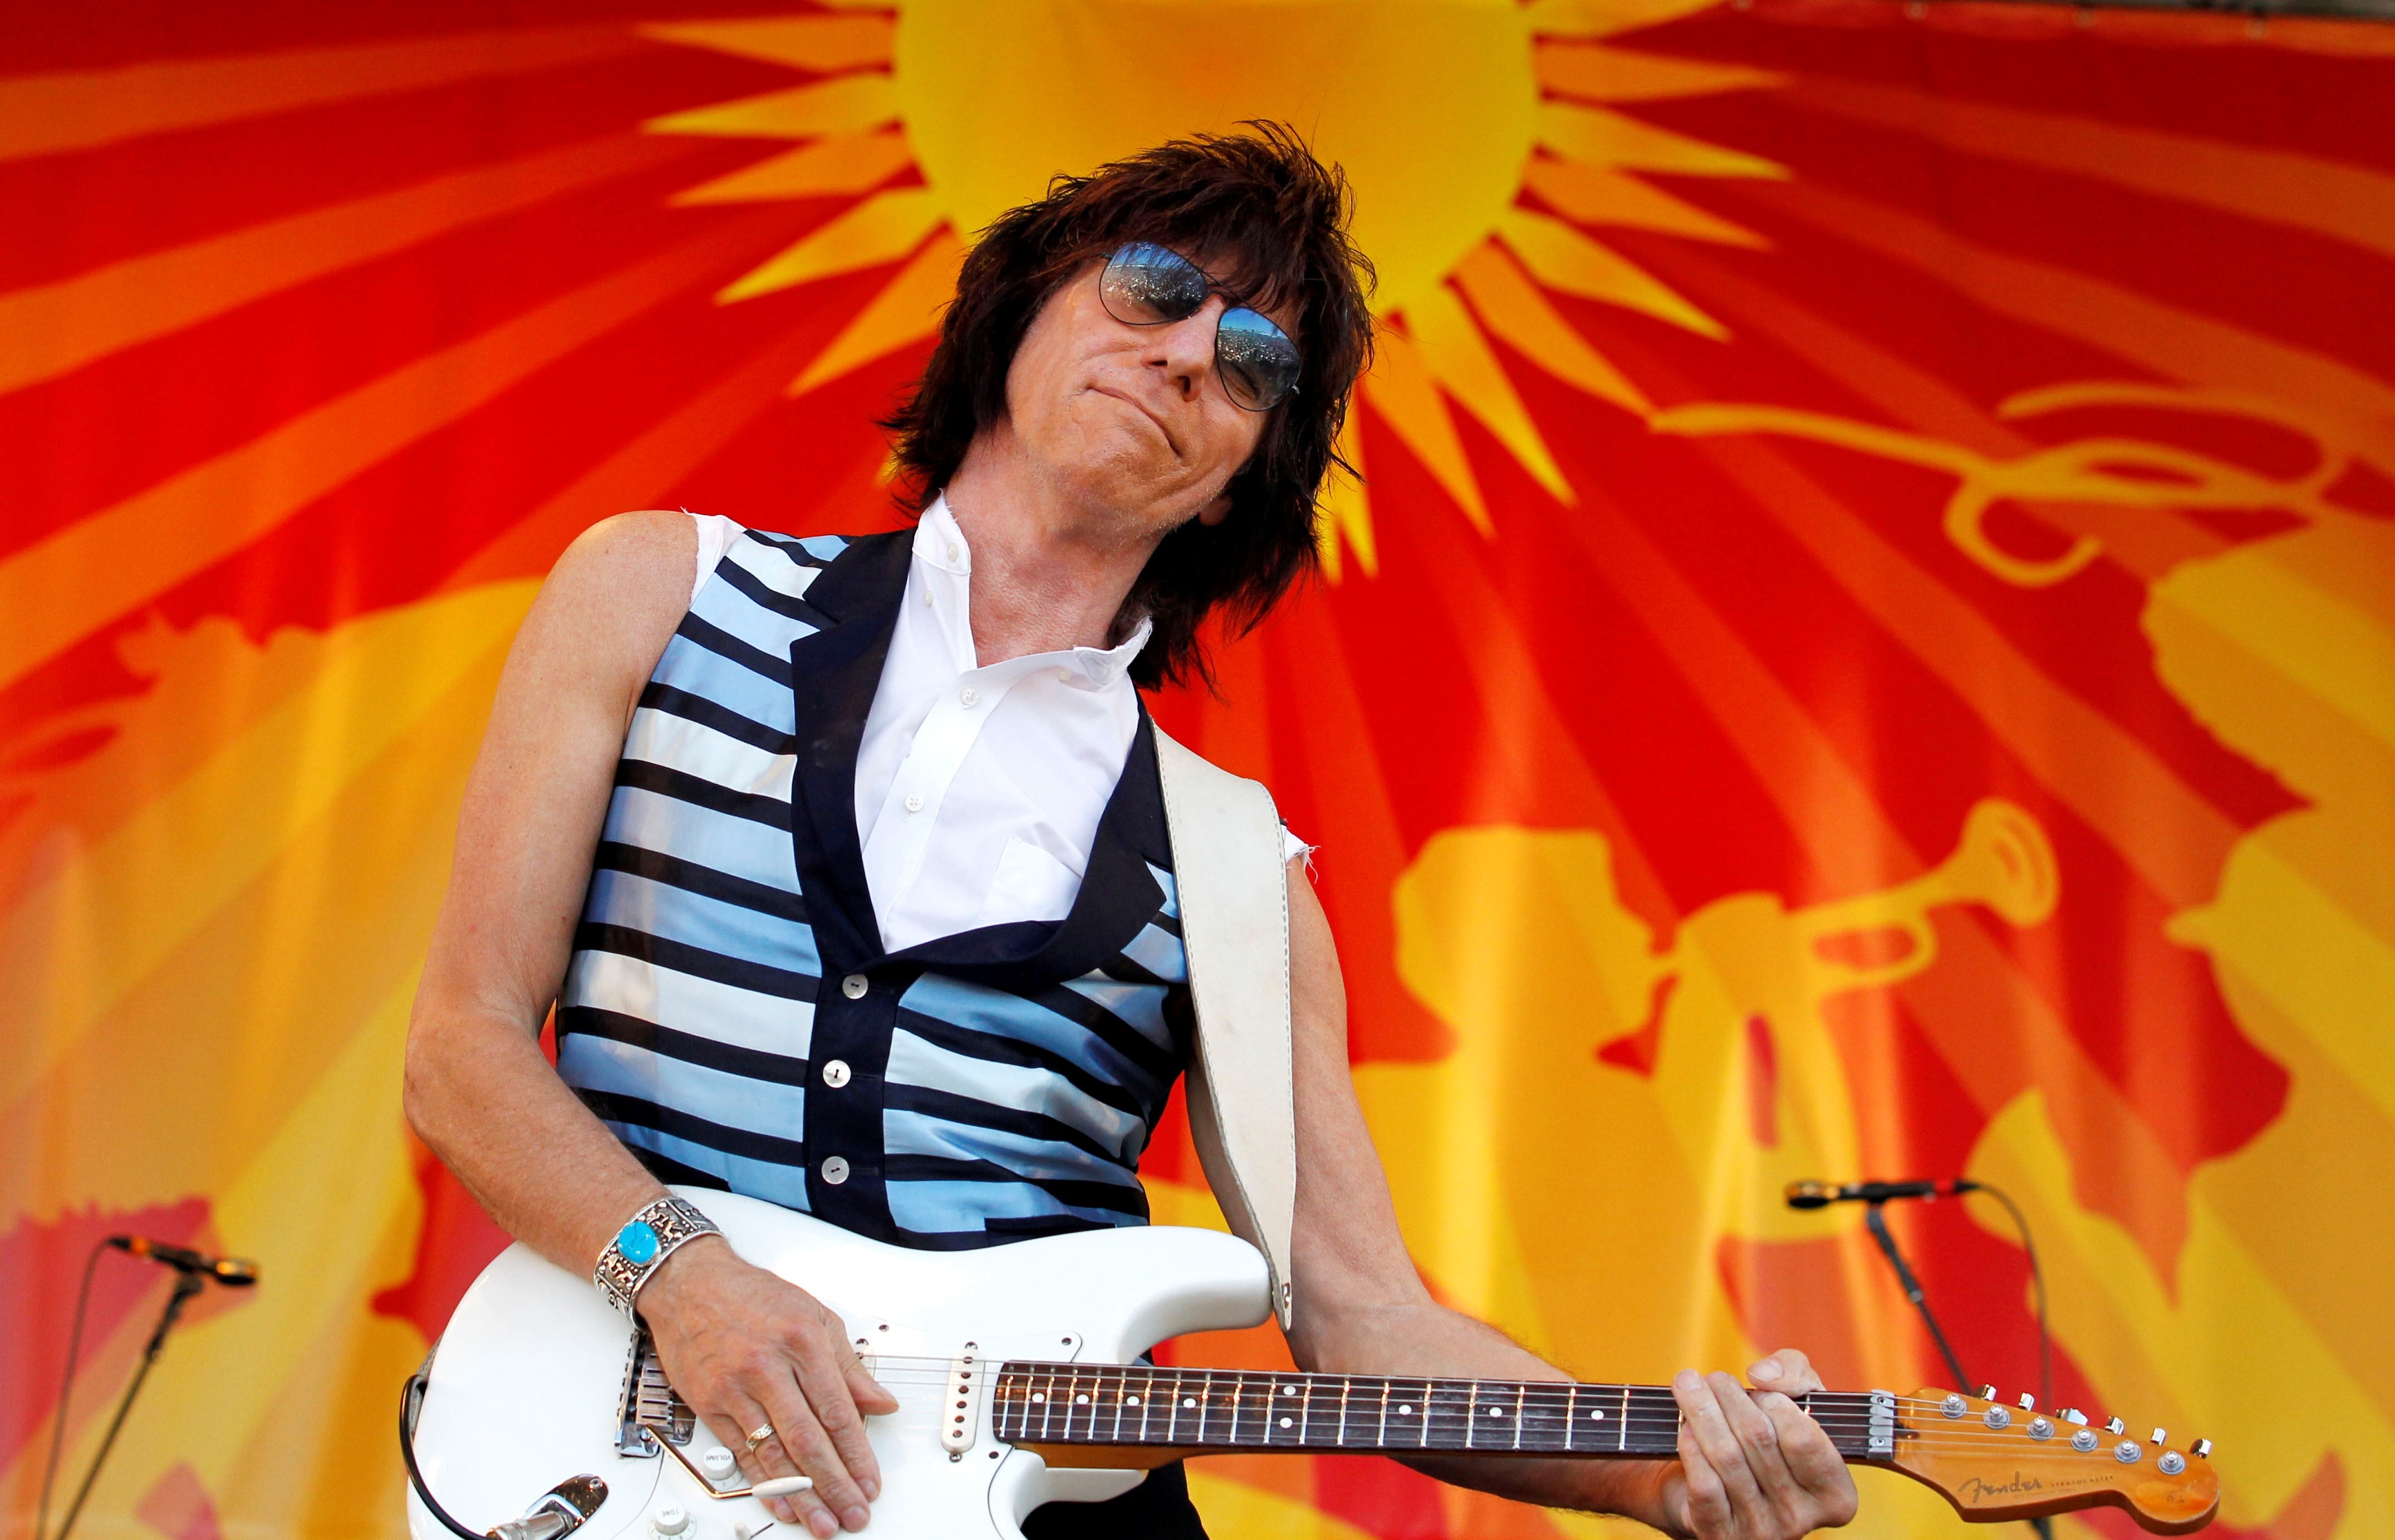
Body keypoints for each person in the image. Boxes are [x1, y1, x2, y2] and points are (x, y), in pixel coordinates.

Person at [403, 125, 1857, 1540]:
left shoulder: (1234, 873)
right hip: (618, 1459)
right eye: (1158, 287)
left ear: (1240, 477)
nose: (1185, 353)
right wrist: (681, 1272)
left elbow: (1355, 1311)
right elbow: (464, 1043)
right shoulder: (660, 591)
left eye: (1254, 365)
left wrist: (1658, 1476)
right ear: (1020, 306)